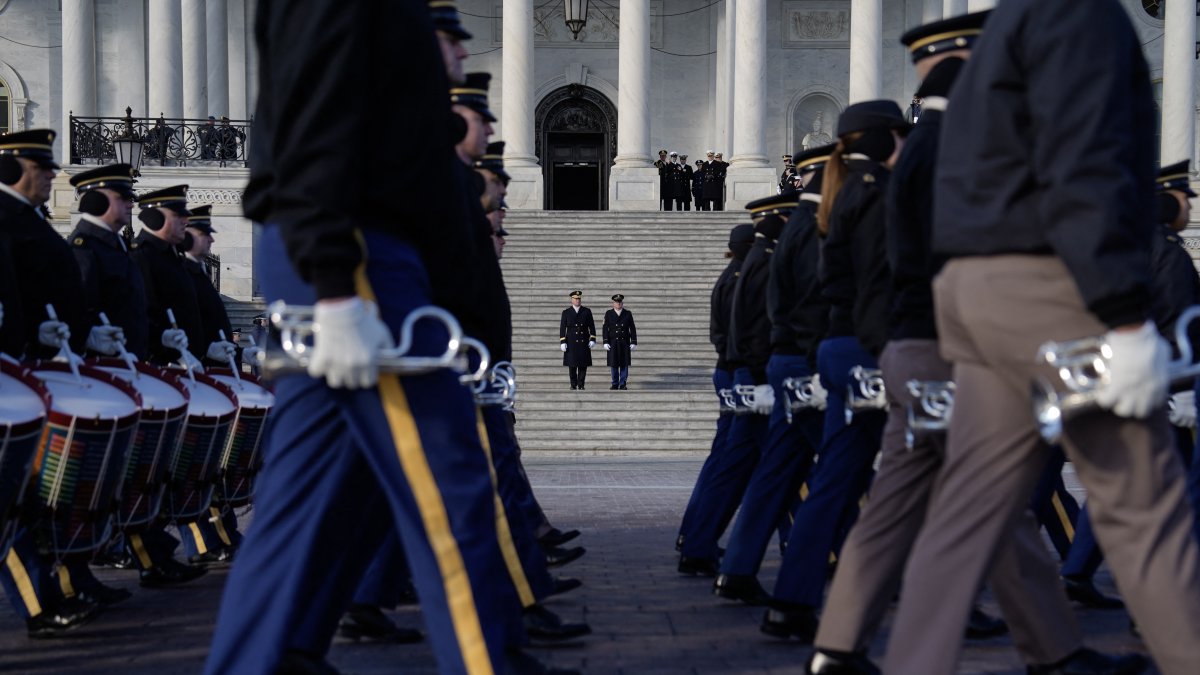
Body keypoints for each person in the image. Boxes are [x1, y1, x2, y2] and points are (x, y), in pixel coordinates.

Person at [203, 2, 547, 673]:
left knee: (299, 502)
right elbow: (314, 116)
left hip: (350, 249)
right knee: (451, 493)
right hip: (355, 255)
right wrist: (334, 282)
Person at [883, 1, 1200, 673]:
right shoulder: (1078, 17)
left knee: (963, 516)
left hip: (974, 290)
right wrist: (1125, 315)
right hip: (1046, 289)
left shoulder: (1007, 28)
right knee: (1143, 504)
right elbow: (1086, 160)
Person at [762, 101, 906, 640]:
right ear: (886, 138)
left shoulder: (843, 196)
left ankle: (798, 600)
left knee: (839, 477)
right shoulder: (873, 195)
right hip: (867, 349)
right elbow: (879, 284)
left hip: (844, 348)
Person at [713, 145, 832, 605]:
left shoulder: (767, 254)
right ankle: (846, 565)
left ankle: (739, 567)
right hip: (796, 363)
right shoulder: (801, 240)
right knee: (845, 469)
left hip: (778, 365)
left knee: (775, 472)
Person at [678, 194, 796, 576]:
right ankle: (704, 543)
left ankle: (698, 539)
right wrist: (756, 374)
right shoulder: (753, 271)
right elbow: (747, 330)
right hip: (749, 371)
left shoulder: (736, 274)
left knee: (743, 461)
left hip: (738, 370)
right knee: (760, 462)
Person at [677, 223, 755, 554]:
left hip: (728, 369)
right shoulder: (740, 280)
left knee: (726, 456)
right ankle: (699, 540)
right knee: (746, 459)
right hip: (740, 370)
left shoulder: (729, 276)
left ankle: (693, 534)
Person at [67, 162, 149, 359]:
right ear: (98, 200)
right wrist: (88, 337)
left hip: (126, 362)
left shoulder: (117, 244)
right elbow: (76, 308)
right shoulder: (84, 247)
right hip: (101, 363)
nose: (131, 204)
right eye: (123, 198)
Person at [559, 290, 596, 390]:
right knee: (572, 365)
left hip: (583, 340)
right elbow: (563, 327)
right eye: (575, 299)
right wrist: (563, 341)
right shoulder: (566, 312)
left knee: (583, 365)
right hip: (571, 341)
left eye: (579, 299)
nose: (577, 300)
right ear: (572, 300)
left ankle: (581, 384)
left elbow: (592, 326)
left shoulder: (586, 311)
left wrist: (592, 339)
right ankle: (573, 384)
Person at [603, 294, 637, 390]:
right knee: (613, 364)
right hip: (613, 342)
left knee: (624, 364)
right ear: (613, 303)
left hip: (624, 342)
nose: (618, 304)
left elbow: (632, 328)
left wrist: (633, 341)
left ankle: (623, 383)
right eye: (616, 302)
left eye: (620, 302)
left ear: (622, 303)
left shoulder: (627, 313)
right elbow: (605, 328)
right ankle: (614, 383)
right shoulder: (608, 313)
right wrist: (605, 341)